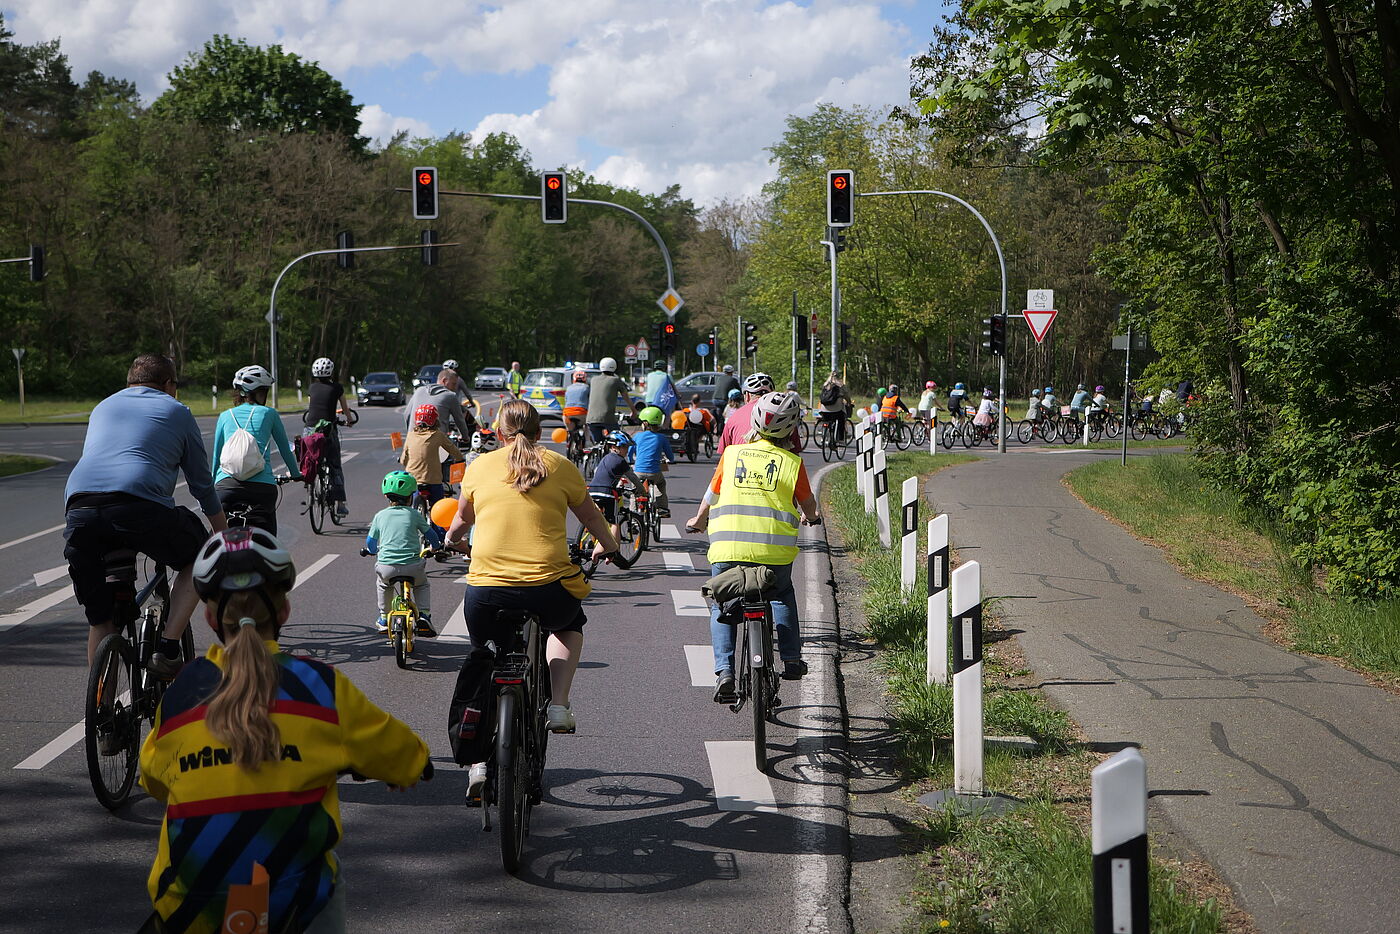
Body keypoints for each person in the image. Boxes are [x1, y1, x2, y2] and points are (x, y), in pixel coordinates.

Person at [139, 528, 429, 934]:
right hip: (290, 906)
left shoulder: (182, 692)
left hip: (189, 907)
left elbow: (152, 779)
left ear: (208, 617)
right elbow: (405, 757)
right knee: (322, 869)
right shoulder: (319, 686)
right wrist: (410, 767)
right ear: (284, 612)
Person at [445, 400, 619, 757]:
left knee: (484, 655)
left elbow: (462, 519)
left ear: (497, 433)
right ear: (540, 433)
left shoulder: (479, 466)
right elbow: (590, 516)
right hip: (548, 587)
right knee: (568, 625)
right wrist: (609, 545)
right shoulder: (560, 465)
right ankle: (558, 704)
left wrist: (453, 541)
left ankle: (478, 763)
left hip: (487, 591)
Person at [64, 353, 228, 673]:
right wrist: (222, 534)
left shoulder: (103, 407)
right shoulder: (177, 411)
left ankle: (101, 711)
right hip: (139, 507)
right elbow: (201, 484)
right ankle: (167, 649)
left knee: (101, 619)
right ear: (168, 385)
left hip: (80, 509)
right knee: (199, 554)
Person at [685, 392, 820, 700]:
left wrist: (698, 519)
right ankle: (791, 659)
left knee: (723, 606)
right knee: (782, 595)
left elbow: (711, 494)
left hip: (727, 550)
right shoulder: (792, 463)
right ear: (791, 429)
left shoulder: (732, 455)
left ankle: (725, 671)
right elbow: (808, 504)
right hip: (773, 554)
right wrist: (812, 517)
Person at [210, 365, 302, 534]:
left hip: (226, 487)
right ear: (260, 393)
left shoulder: (225, 416)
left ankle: (213, 556)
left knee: (216, 536)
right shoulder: (269, 413)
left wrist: (212, 483)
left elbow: (217, 456)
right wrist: (295, 474)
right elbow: (284, 449)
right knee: (269, 539)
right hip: (262, 488)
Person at [367, 471, 443, 636]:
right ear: (410, 497)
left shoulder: (380, 516)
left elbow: (370, 543)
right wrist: (435, 547)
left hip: (387, 567)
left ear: (387, 496)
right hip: (413, 566)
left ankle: (383, 618)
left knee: (383, 584)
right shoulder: (414, 514)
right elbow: (431, 535)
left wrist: (371, 551)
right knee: (422, 585)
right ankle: (424, 615)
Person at [303, 357, 354, 518]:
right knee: (335, 465)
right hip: (327, 429)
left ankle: (310, 486)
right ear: (331, 371)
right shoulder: (337, 388)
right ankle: (340, 504)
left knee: (310, 458)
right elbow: (345, 409)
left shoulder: (311, 387)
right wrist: (349, 420)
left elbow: (311, 407)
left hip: (310, 429)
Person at [718, 372, 802, 454]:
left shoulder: (734, 416)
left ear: (747, 395)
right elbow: (795, 454)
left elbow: (724, 455)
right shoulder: (784, 416)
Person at [399, 404, 464, 507]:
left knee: (410, 502)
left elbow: (404, 457)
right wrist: (460, 458)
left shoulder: (411, 435)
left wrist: (402, 461)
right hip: (433, 480)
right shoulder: (438, 435)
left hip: (413, 480)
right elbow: (452, 449)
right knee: (437, 505)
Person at [633, 406, 674, 518]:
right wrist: (671, 459)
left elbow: (630, 451)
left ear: (645, 423)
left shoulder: (637, 436)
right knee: (661, 484)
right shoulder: (661, 437)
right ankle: (662, 508)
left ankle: (633, 516)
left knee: (635, 492)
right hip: (655, 473)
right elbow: (669, 454)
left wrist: (630, 460)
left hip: (639, 472)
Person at [585, 356, 638, 443]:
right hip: (608, 418)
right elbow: (626, 397)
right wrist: (634, 411)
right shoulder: (615, 380)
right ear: (614, 367)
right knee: (618, 439)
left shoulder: (593, 380)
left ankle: (596, 454)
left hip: (591, 419)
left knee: (599, 442)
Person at [817, 372, 853, 442]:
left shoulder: (825, 384)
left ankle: (823, 435)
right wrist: (849, 402)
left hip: (824, 409)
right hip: (837, 410)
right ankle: (840, 439)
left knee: (826, 421)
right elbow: (846, 396)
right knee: (841, 420)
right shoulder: (840, 385)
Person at [562, 369, 590, 440]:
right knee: (586, 426)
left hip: (567, 414)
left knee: (570, 429)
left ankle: (569, 437)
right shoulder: (587, 388)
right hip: (582, 413)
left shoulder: (569, 388)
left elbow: (566, 400)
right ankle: (586, 442)